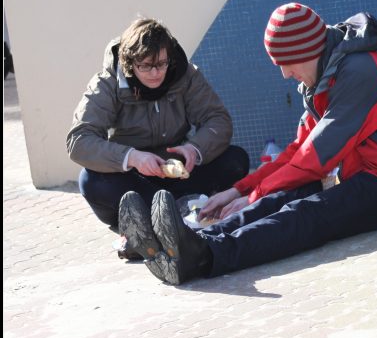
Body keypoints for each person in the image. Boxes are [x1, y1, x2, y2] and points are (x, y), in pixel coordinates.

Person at [119, 2, 377, 284]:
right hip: (360, 174)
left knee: (305, 213)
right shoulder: (326, 75)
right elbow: (297, 151)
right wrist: (240, 190)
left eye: (287, 62)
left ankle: (203, 256)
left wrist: (253, 195)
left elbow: (315, 158)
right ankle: (183, 242)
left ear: (307, 51)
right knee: (277, 199)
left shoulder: (359, 75)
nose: (286, 74)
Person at [66, 18, 250, 257]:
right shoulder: (107, 82)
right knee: (90, 181)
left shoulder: (186, 75)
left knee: (236, 159)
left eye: (162, 64)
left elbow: (219, 120)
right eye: (146, 66)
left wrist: (194, 149)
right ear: (130, 63)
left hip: (179, 172)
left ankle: (157, 223)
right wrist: (132, 157)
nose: (155, 73)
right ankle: (174, 215)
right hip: (132, 180)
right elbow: (79, 141)